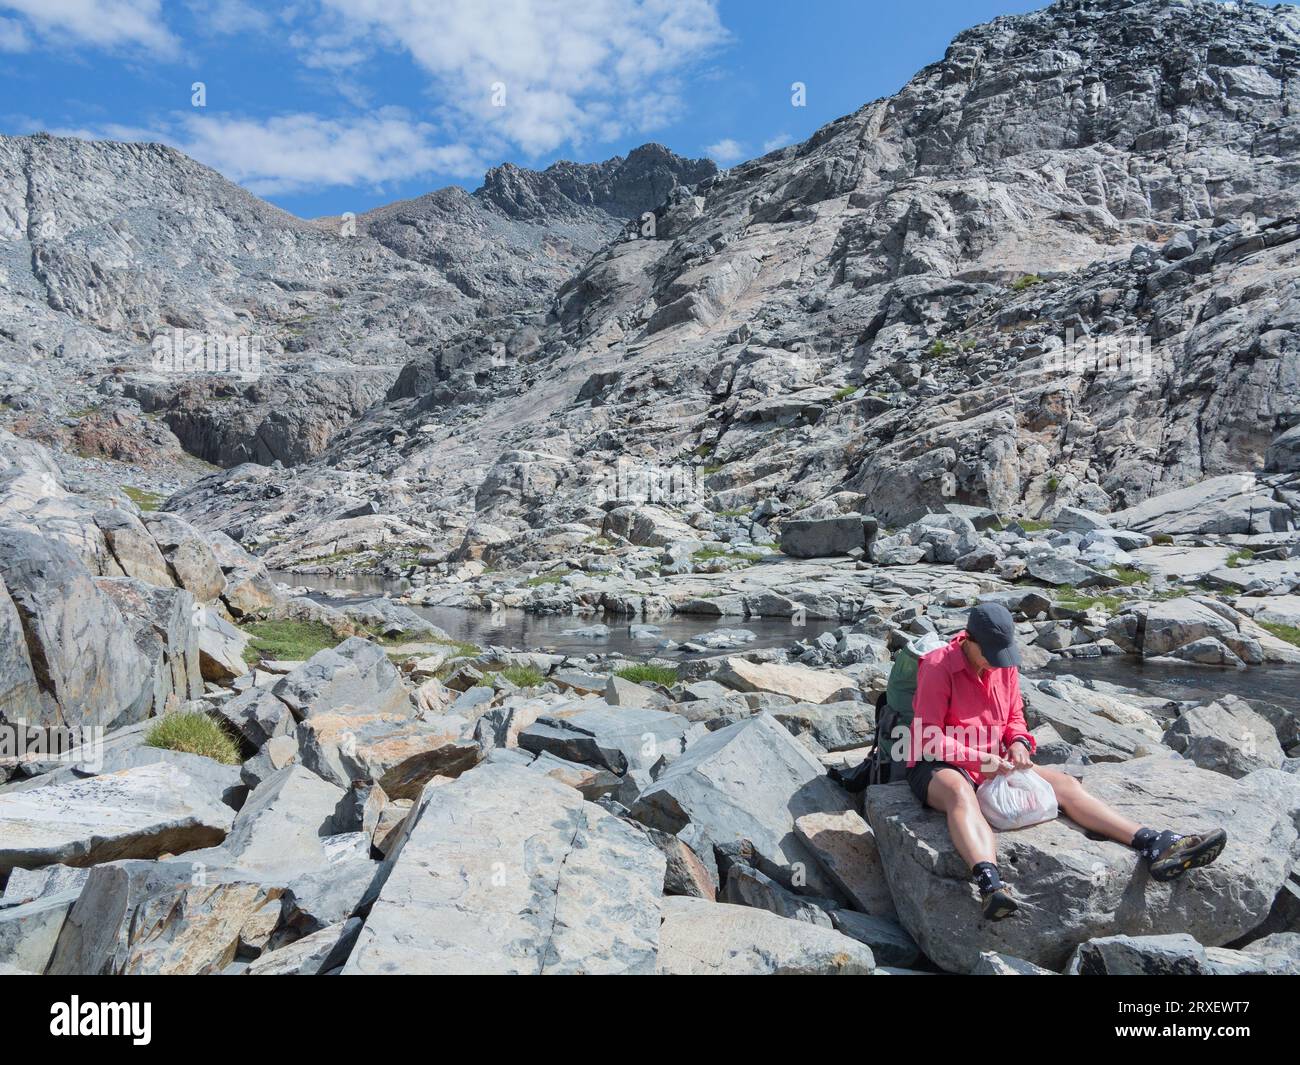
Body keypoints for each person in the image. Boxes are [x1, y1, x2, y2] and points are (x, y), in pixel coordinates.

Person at [906, 602, 1227, 921]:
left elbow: (1014, 717)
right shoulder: (938, 666)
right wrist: (979, 759)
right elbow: (927, 738)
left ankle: (1154, 844)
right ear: (968, 640)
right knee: (961, 794)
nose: (997, 662)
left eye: (1002, 653)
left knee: (1064, 784)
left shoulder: (1003, 665)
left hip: (991, 760)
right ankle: (990, 885)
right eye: (990, 653)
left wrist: (1018, 742)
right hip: (937, 764)